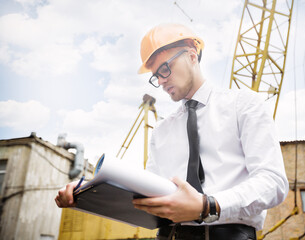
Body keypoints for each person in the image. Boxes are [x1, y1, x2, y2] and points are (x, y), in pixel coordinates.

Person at [55, 23, 289, 240]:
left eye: (165, 69)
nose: (162, 80)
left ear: (191, 55)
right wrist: (87, 194)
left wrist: (208, 205)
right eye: (156, 76)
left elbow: (273, 182)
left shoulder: (243, 105)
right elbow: (148, 198)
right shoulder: (162, 131)